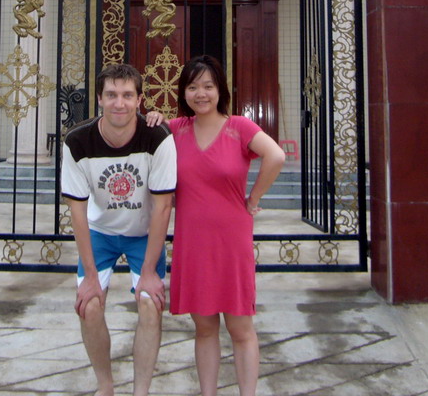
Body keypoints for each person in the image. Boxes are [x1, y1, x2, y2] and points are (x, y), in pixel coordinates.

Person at [155, 55, 286, 396]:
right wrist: (152, 117)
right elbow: (140, 137)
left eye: (208, 86)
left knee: (241, 327)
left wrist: (253, 198)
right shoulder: (174, 131)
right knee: (204, 328)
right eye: (193, 86)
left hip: (231, 239)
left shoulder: (239, 127)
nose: (201, 93)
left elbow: (276, 156)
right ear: (183, 91)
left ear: (220, 90)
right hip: (192, 241)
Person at [61, 63, 176, 396]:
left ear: (140, 100)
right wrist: (91, 278)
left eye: (127, 95)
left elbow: (163, 206)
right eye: (111, 94)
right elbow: (78, 212)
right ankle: (105, 387)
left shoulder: (157, 137)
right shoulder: (77, 141)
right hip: (100, 233)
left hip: (143, 234)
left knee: (151, 304)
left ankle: (141, 391)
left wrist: (152, 274)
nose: (119, 103)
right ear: (99, 98)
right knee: (90, 305)